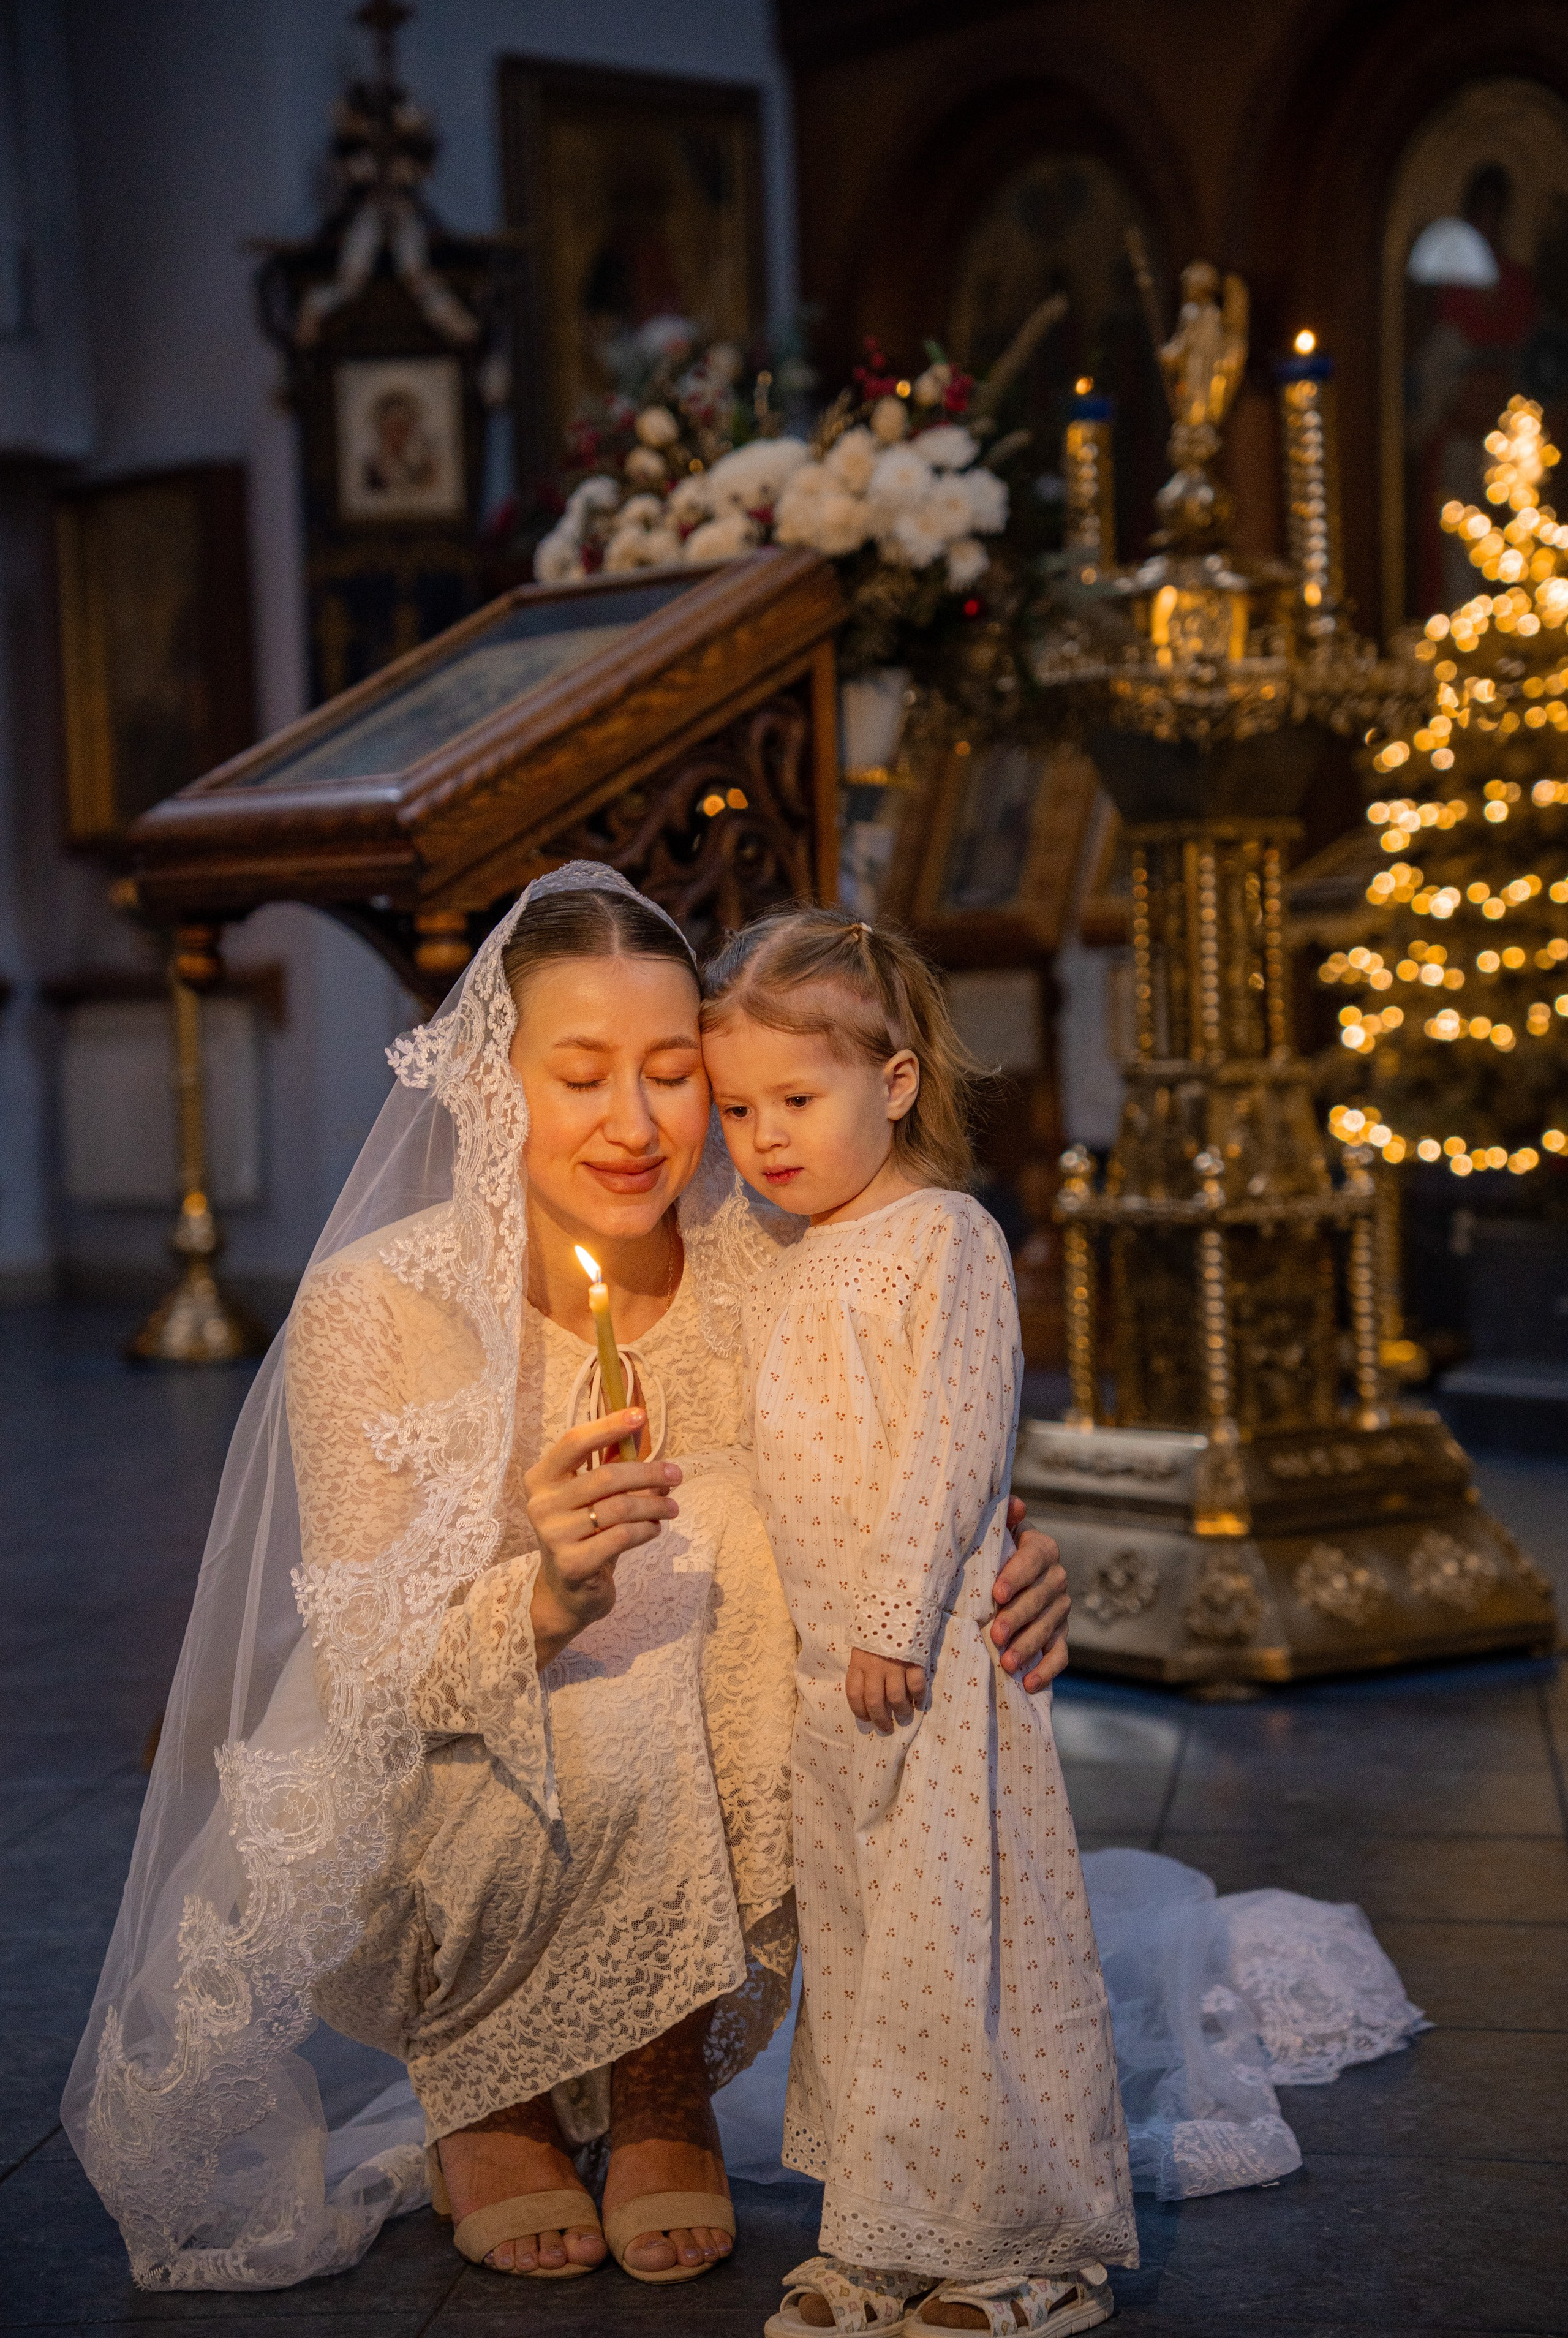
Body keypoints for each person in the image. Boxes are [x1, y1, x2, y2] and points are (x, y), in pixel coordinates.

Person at [63, 864, 1074, 2295]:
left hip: (719, 1767)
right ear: (492, 1081)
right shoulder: (381, 1304)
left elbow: (906, 1457)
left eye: (675, 1075)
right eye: (581, 1074)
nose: (636, 1125)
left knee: (714, 1539)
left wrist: (1012, 1563)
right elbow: (366, 1663)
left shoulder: (769, 1262)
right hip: (452, 1783)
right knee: (664, 1573)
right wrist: (544, 1596)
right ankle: (487, 2081)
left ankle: (664, 2081)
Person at [703, 908, 1137, 2337]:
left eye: (797, 1100)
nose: (763, 1136)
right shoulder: (774, 1256)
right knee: (867, 1959)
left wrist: (895, 1618)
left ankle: (1018, 2244)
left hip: (932, 1667)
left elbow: (946, 1450)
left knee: (956, 1953)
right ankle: (880, 2233)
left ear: (892, 1083)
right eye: (738, 1108)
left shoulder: (940, 1239)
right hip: (828, 1683)